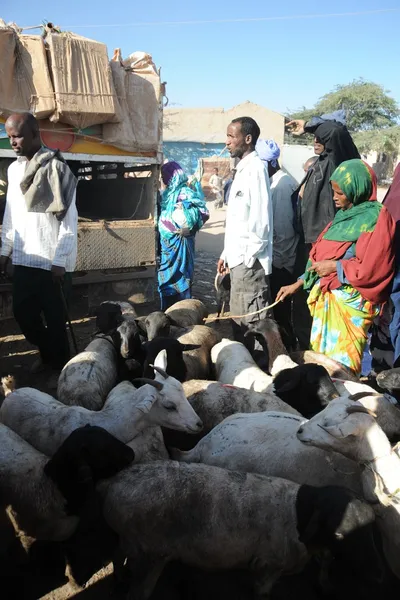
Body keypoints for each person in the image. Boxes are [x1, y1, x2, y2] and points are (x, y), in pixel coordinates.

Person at [276, 159, 396, 376]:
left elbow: (375, 267)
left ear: (356, 189)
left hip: (351, 307)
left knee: (342, 368)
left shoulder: (377, 218)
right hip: (329, 300)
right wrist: (299, 282)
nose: (334, 197)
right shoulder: (343, 217)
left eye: (340, 193)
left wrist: (335, 267)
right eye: (334, 191)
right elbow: (320, 257)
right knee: (323, 364)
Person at [0, 112, 78, 383]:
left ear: (35, 134)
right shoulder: (13, 170)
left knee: (56, 320)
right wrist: (4, 251)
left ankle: (59, 365)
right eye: (9, 136)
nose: (13, 142)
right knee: (24, 315)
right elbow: (11, 215)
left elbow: (69, 220)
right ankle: (49, 354)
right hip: (24, 258)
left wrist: (60, 259)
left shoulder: (58, 168)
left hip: (51, 261)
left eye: (18, 136)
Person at [287, 113, 360, 350]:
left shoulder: (339, 159)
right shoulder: (321, 162)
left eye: (321, 135)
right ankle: (306, 351)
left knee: (319, 305)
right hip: (311, 244)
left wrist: (308, 126)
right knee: (302, 302)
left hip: (330, 247)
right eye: (314, 136)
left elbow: (335, 133)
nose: (316, 139)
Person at [217, 116, 272, 345]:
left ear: (247, 139)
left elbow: (261, 221)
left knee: (253, 326)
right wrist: (227, 255)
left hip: (249, 266)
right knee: (239, 325)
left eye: (232, 136)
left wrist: (248, 261)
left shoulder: (257, 169)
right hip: (238, 262)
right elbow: (238, 221)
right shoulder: (242, 170)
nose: (227, 142)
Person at [256, 138, 298, 348]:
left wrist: (277, 263)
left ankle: (287, 350)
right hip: (277, 258)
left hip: (281, 261)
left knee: (281, 313)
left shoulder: (281, 186)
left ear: (271, 163)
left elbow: (283, 231)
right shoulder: (275, 182)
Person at [158, 161, 209, 310]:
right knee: (165, 277)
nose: (163, 179)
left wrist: (189, 228)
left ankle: (183, 312)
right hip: (167, 245)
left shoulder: (186, 193)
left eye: (164, 176)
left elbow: (204, 212)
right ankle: (166, 312)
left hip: (182, 243)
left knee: (182, 277)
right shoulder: (167, 194)